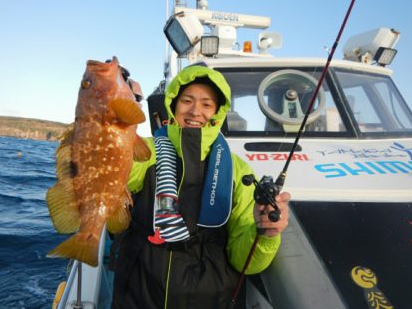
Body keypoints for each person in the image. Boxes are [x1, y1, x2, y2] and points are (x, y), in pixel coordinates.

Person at [111, 65, 290, 309]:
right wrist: (118, 110)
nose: (195, 111)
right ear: (173, 105)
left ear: (217, 112)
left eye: (206, 104)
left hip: (212, 295)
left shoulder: (239, 170)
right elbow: (115, 167)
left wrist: (266, 233)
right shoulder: (146, 151)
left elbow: (245, 261)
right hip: (139, 288)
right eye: (187, 101)